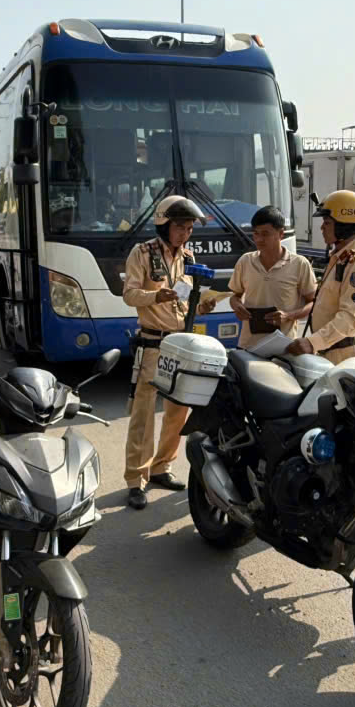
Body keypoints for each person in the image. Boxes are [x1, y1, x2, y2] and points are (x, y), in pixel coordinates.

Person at [121, 195, 212, 509]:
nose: (185, 233)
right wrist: (158, 296)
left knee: (178, 412)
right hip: (152, 343)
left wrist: (204, 304)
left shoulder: (188, 257)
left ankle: (162, 467)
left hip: (181, 344)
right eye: (179, 227)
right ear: (163, 224)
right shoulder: (142, 253)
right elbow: (130, 294)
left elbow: (185, 303)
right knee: (143, 415)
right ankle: (137, 478)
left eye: (189, 228)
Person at [286, 190, 355, 363]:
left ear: (344, 226)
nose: (321, 228)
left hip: (344, 354)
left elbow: (349, 317)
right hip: (329, 350)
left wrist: (312, 343)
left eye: (326, 223)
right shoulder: (340, 257)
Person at [227, 205, 316, 349]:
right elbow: (235, 296)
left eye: (265, 234)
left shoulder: (300, 264)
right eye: (255, 233)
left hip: (284, 348)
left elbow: (313, 303)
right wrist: (237, 306)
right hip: (248, 346)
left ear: (281, 234)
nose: (259, 239)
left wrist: (288, 316)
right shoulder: (245, 261)